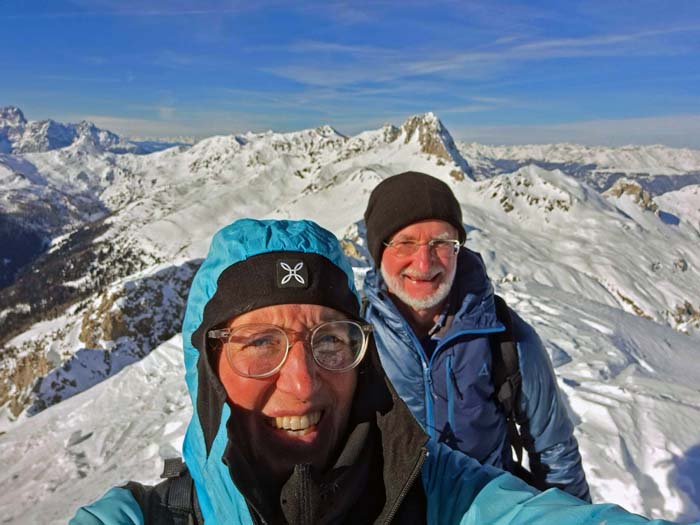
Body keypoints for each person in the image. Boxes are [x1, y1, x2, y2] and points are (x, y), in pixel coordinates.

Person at [71, 218, 692, 524]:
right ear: (206, 367)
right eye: (260, 343)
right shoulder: (151, 517)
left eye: (331, 341)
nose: (304, 384)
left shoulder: (439, 488)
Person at [363, 171, 590, 500]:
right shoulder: (352, 338)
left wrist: (576, 519)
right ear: (378, 250)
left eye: (440, 243)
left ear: (458, 249)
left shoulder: (505, 336)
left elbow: (554, 451)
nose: (424, 263)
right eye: (405, 243)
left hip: (487, 509)